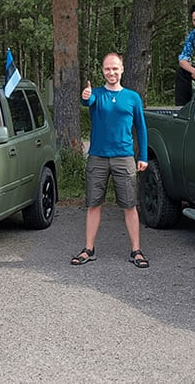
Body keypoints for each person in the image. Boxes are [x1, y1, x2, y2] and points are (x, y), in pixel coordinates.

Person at [71, 52, 150, 268]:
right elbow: (88, 101)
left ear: (122, 69)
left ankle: (136, 250)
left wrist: (142, 156)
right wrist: (85, 95)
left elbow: (141, 128)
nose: (111, 72)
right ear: (103, 71)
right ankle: (89, 249)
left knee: (129, 205)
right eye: (107, 69)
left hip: (124, 157)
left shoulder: (132, 97)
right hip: (98, 157)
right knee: (94, 204)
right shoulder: (96, 94)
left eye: (115, 68)